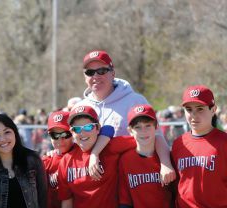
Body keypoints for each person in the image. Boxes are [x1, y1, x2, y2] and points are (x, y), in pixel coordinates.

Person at [75, 50, 175, 184]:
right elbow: (71, 144)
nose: (96, 76)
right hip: (95, 184)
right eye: (90, 72)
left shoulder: (134, 100)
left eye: (102, 71)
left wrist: (165, 163)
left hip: (130, 180)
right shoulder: (80, 107)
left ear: (113, 73)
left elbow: (157, 135)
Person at [58, 105, 135, 208]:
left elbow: (143, 138)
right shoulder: (67, 160)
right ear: (71, 132)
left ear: (97, 128)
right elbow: (66, 205)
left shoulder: (111, 147)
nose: (82, 133)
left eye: (87, 127)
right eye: (76, 129)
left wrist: (95, 153)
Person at [119, 104, 182, 208]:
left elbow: (179, 196)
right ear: (130, 130)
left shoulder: (167, 157)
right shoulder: (125, 160)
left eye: (148, 126)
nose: (143, 131)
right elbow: (125, 204)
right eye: (138, 127)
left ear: (156, 127)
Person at [171, 85, 227, 208]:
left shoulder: (224, 142)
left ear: (213, 109)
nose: (193, 115)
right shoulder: (179, 144)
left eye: (200, 109)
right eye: (189, 109)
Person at [36, 110, 74, 208]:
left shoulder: (84, 156)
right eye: (54, 135)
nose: (59, 140)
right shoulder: (47, 161)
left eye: (64, 134)